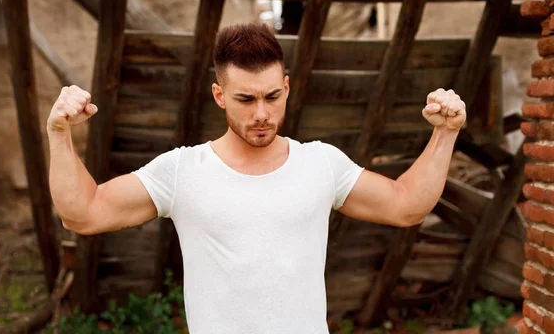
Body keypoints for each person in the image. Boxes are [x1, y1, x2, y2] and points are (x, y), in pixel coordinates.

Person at [46, 23, 466, 334]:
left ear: (287, 87)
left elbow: (406, 205)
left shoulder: (321, 164)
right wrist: (60, 134)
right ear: (219, 95)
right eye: (245, 99)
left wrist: (446, 133)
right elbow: (83, 214)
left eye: (272, 96)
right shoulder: (182, 171)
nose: (261, 113)